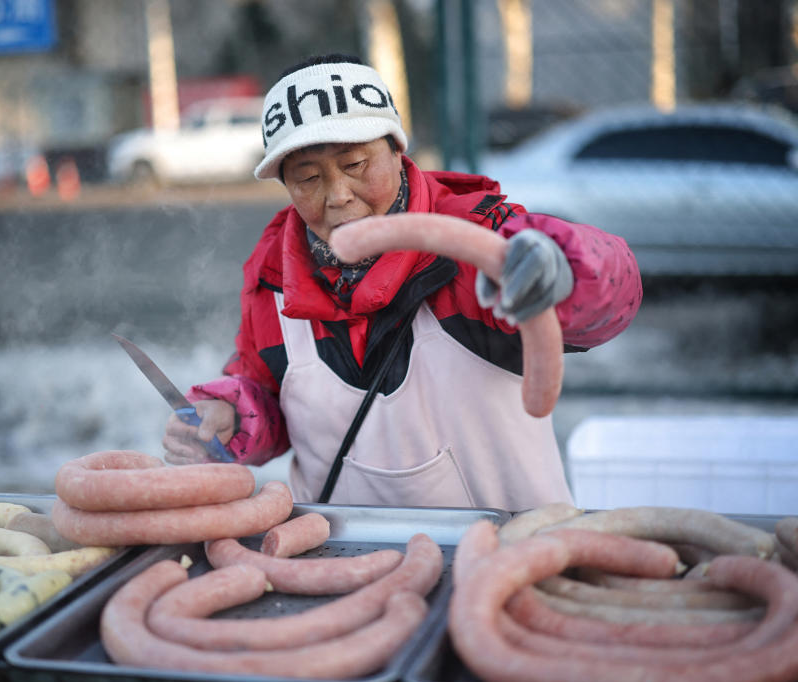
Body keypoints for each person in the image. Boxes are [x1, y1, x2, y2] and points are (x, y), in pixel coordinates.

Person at [161, 53, 642, 511]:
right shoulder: (273, 277)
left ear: (395, 150)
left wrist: (565, 270)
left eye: (355, 165)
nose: (338, 196)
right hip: (337, 558)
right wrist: (231, 416)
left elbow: (612, 298)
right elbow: (265, 393)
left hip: (508, 556)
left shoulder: (478, 240)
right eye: (307, 178)